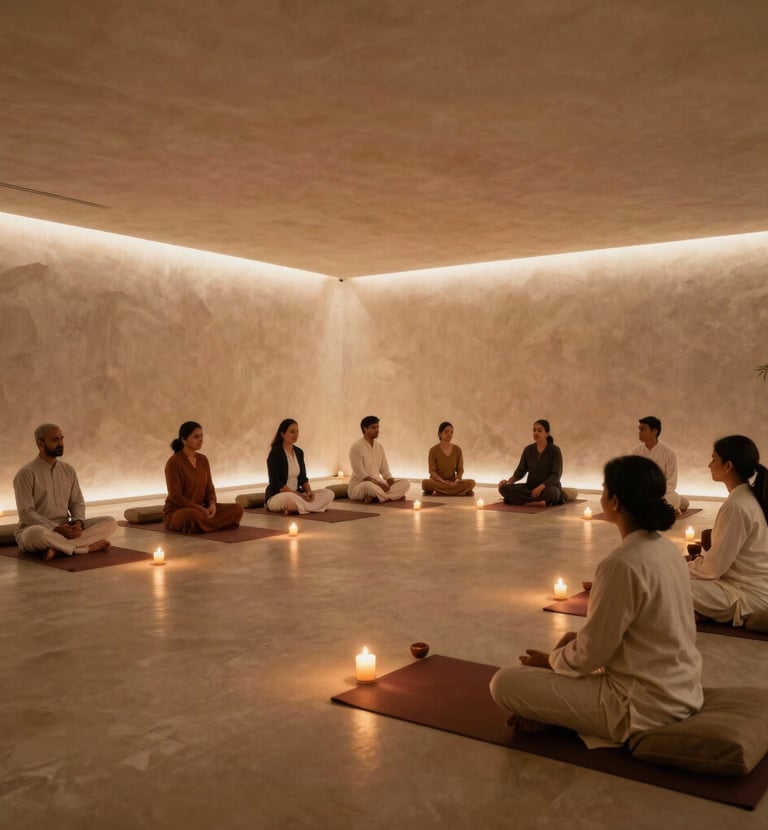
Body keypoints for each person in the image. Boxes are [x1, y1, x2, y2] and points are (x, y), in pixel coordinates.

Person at [490, 455, 703, 745]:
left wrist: (552, 661)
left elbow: (592, 655)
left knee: (504, 683)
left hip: (638, 706)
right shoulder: (667, 550)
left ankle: (553, 716)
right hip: (683, 690)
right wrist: (570, 651)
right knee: (570, 640)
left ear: (613, 502)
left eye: (604, 490)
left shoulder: (621, 563)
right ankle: (552, 710)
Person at [688, 435, 768, 625]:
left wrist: (678, 568)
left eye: (714, 458)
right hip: (738, 586)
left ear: (728, 466)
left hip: (747, 596)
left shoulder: (737, 505)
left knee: (668, 583)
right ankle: (696, 611)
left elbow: (713, 568)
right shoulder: (746, 497)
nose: (709, 464)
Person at [13, 423, 117, 560]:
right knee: (37, 534)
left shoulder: (68, 470)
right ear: (40, 444)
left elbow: (77, 502)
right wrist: (56, 528)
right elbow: (26, 513)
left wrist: (78, 522)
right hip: (37, 529)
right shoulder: (26, 473)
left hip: (66, 528)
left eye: (61, 439)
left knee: (110, 522)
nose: (61, 443)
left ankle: (58, 549)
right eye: (55, 440)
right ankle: (84, 548)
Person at [163, 421, 244, 533]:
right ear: (183, 439)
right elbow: (176, 496)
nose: (200, 440)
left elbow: (210, 488)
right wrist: (198, 508)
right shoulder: (174, 463)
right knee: (192, 516)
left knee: (237, 509)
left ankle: (204, 525)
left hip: (203, 509)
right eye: (196, 437)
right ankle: (211, 524)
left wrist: (212, 505)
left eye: (201, 436)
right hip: (179, 511)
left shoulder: (203, 460)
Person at [265, 419, 335, 513]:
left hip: (298, 494)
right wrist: (299, 495)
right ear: (282, 434)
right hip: (279, 495)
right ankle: (309, 507)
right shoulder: (275, 453)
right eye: (292, 432)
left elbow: (303, 478)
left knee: (329, 493)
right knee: (290, 498)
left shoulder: (299, 452)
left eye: (297, 431)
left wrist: (309, 492)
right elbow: (276, 482)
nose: (296, 434)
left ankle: (301, 508)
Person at [630, 416, 689, 513]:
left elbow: (671, 482)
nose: (639, 432)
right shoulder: (635, 452)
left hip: (663, 493)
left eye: (642, 429)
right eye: (639, 429)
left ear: (654, 432)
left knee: (671, 499)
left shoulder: (669, 453)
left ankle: (679, 502)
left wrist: (655, 493)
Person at [498, 420, 564, 506]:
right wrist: (509, 482)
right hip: (530, 487)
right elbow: (521, 470)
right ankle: (537, 502)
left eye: (539, 431)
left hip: (547, 487)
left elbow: (556, 475)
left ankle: (520, 501)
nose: (536, 433)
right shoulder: (528, 450)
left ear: (547, 433)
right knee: (503, 489)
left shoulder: (555, 450)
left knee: (554, 493)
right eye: (534, 430)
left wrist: (541, 487)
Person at [348, 416, 410, 503]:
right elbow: (361, 474)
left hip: (379, 485)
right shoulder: (356, 447)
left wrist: (392, 483)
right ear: (365, 429)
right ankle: (392, 496)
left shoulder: (379, 447)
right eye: (373, 427)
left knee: (405, 483)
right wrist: (380, 484)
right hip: (360, 485)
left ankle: (379, 497)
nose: (377, 430)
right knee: (370, 487)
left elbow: (385, 469)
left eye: (377, 427)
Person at [422, 422, 475, 496]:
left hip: (453, 482)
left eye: (451, 432)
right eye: (446, 432)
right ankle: (457, 491)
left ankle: (441, 492)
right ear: (440, 434)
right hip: (438, 482)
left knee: (472, 483)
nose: (449, 434)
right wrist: (445, 482)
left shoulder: (457, 449)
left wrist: (456, 481)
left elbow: (460, 470)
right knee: (425, 483)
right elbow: (432, 472)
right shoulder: (433, 450)